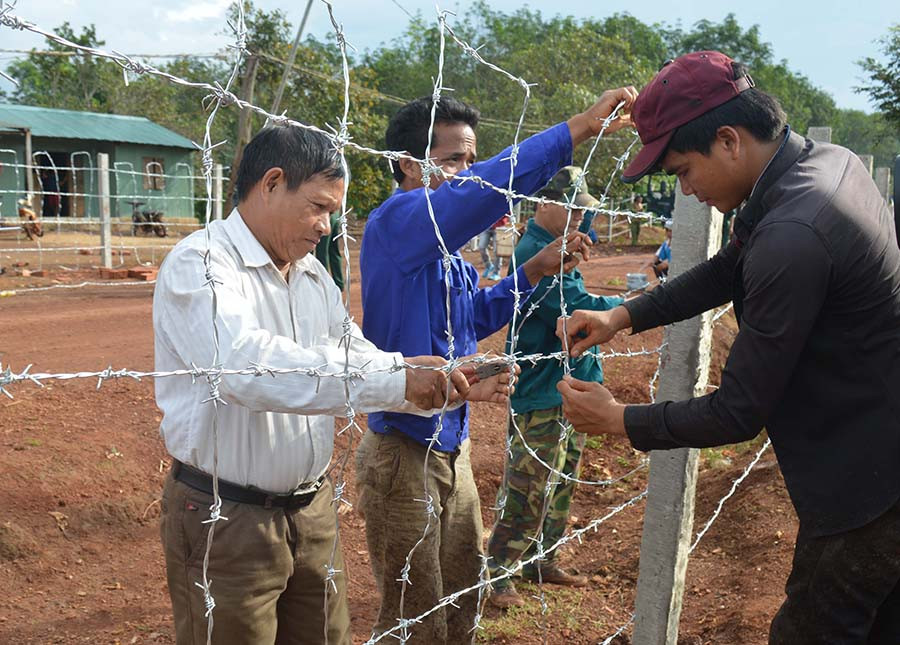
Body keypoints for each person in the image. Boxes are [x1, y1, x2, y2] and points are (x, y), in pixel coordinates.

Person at [557, 51, 900, 644]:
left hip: (868, 490)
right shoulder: (820, 168)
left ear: (729, 140)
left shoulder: (793, 234)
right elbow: (728, 267)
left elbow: (739, 410)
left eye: (685, 170)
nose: (686, 191)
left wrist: (619, 420)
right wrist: (623, 313)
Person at [152, 125, 513, 645]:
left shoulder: (313, 277)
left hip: (312, 512)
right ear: (272, 183)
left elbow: (355, 356)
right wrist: (398, 378)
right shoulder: (202, 264)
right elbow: (243, 367)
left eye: (332, 212)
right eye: (318, 207)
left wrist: (438, 383)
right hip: (226, 518)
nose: (326, 226)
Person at [358, 87, 637, 644]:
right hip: (402, 448)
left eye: (472, 158)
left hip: (450, 444)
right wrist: (578, 127)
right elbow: (482, 194)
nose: (469, 172)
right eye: (455, 160)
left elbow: (478, 314)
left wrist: (532, 269)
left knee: (461, 592)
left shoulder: (450, 258)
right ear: (408, 166)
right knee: (415, 613)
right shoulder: (399, 223)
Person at [487, 166, 624, 609]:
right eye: (573, 209)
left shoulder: (561, 248)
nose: (580, 219)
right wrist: (632, 306)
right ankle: (500, 569)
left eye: (583, 211)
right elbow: (572, 312)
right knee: (529, 483)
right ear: (547, 204)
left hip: (566, 388)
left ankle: (542, 558)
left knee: (560, 480)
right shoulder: (533, 252)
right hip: (540, 389)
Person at [477, 214, 509, 280]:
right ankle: (488, 266)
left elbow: (509, 212)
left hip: (500, 227)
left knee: (497, 250)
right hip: (487, 226)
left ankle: (496, 272)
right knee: (481, 247)